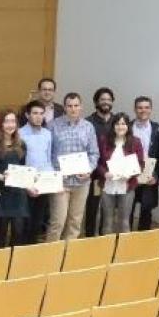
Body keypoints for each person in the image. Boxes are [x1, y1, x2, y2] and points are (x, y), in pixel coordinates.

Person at [47, 93, 100, 241]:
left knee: (75, 222)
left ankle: (67, 255)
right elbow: (47, 153)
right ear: (64, 107)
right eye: (69, 106)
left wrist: (89, 170)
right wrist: (54, 176)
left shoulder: (88, 127)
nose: (73, 109)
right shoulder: (53, 125)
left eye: (76, 105)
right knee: (57, 222)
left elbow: (94, 153)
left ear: (81, 107)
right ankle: (49, 255)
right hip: (60, 183)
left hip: (81, 183)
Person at [97, 113, 145, 235]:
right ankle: (106, 249)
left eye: (123, 123)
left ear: (128, 126)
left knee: (124, 222)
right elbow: (98, 162)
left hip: (127, 186)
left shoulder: (135, 142)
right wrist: (104, 173)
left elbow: (141, 164)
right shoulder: (104, 140)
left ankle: (123, 250)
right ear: (113, 126)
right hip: (108, 186)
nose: (120, 126)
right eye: (117, 123)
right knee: (107, 221)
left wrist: (131, 174)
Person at [20, 100, 54, 243]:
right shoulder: (19, 134)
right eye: (35, 113)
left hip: (43, 183)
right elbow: (19, 162)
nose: (39, 117)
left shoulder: (47, 134)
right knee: (24, 222)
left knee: (38, 220)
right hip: (26, 184)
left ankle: (33, 250)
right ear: (27, 115)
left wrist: (53, 181)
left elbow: (48, 159)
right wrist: (26, 184)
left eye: (41, 113)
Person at [0, 109, 29, 247]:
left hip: (18, 194)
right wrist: (1, 177)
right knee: (1, 232)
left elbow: (23, 167)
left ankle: (14, 265)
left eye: (13, 121)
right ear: (1, 124)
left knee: (18, 232)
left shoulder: (22, 144)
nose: (10, 125)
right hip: (1, 194)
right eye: (6, 121)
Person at [84, 87, 116, 237]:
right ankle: (90, 237)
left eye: (109, 99)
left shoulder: (118, 122)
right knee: (92, 208)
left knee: (108, 209)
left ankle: (104, 238)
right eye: (103, 99)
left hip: (113, 173)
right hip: (94, 174)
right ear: (96, 102)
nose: (106, 102)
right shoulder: (88, 123)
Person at [130, 96, 159, 231]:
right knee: (128, 209)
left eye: (146, 107)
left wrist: (156, 175)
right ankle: (126, 239)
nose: (143, 110)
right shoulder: (127, 126)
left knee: (146, 209)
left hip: (149, 176)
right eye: (140, 107)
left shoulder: (158, 129)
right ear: (135, 109)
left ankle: (142, 240)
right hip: (130, 175)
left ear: (151, 109)